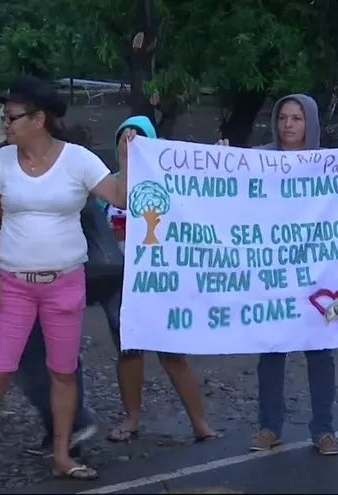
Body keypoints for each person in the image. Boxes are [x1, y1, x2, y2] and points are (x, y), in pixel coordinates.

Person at [0, 74, 129, 494]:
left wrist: (129, 160)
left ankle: (62, 457)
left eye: (12, 115)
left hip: (65, 283)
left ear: (39, 119)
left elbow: (121, 197)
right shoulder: (2, 161)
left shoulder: (79, 160)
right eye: (6, 114)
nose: (6, 121)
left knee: (63, 372)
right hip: (14, 284)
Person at [219, 93, 338, 455]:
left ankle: (323, 430)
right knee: (272, 351)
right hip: (273, 274)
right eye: (282, 118)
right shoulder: (258, 160)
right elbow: (233, 195)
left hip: (319, 274)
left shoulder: (329, 163)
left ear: (310, 122)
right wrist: (221, 160)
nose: (288, 125)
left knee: (320, 353)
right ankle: (268, 427)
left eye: (296, 118)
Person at [98, 116, 219, 443]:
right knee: (128, 352)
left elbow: (205, 205)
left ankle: (200, 423)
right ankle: (132, 419)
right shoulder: (107, 185)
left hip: (162, 282)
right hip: (120, 282)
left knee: (172, 353)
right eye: (124, 138)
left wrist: (222, 158)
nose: (130, 143)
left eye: (138, 138)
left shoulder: (172, 183)